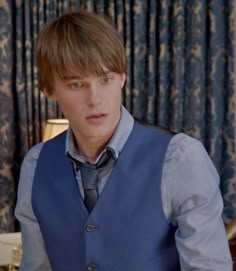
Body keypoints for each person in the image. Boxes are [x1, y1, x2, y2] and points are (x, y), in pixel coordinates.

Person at [15, 11, 232, 271]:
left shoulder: (180, 158)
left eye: (105, 80)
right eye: (76, 84)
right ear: (49, 89)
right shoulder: (36, 165)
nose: (94, 99)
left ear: (122, 78)